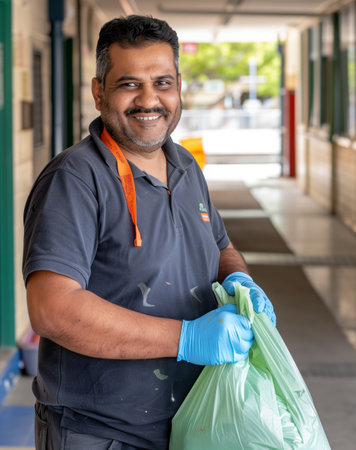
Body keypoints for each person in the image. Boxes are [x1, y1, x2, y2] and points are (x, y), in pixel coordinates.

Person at [23, 15, 276, 450]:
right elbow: (53, 310)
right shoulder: (76, 179)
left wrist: (240, 280)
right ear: (99, 91)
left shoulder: (185, 166)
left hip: (190, 424)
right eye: (129, 84)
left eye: (162, 82)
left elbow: (220, 246)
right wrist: (188, 338)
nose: (149, 100)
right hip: (100, 433)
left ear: (179, 86)